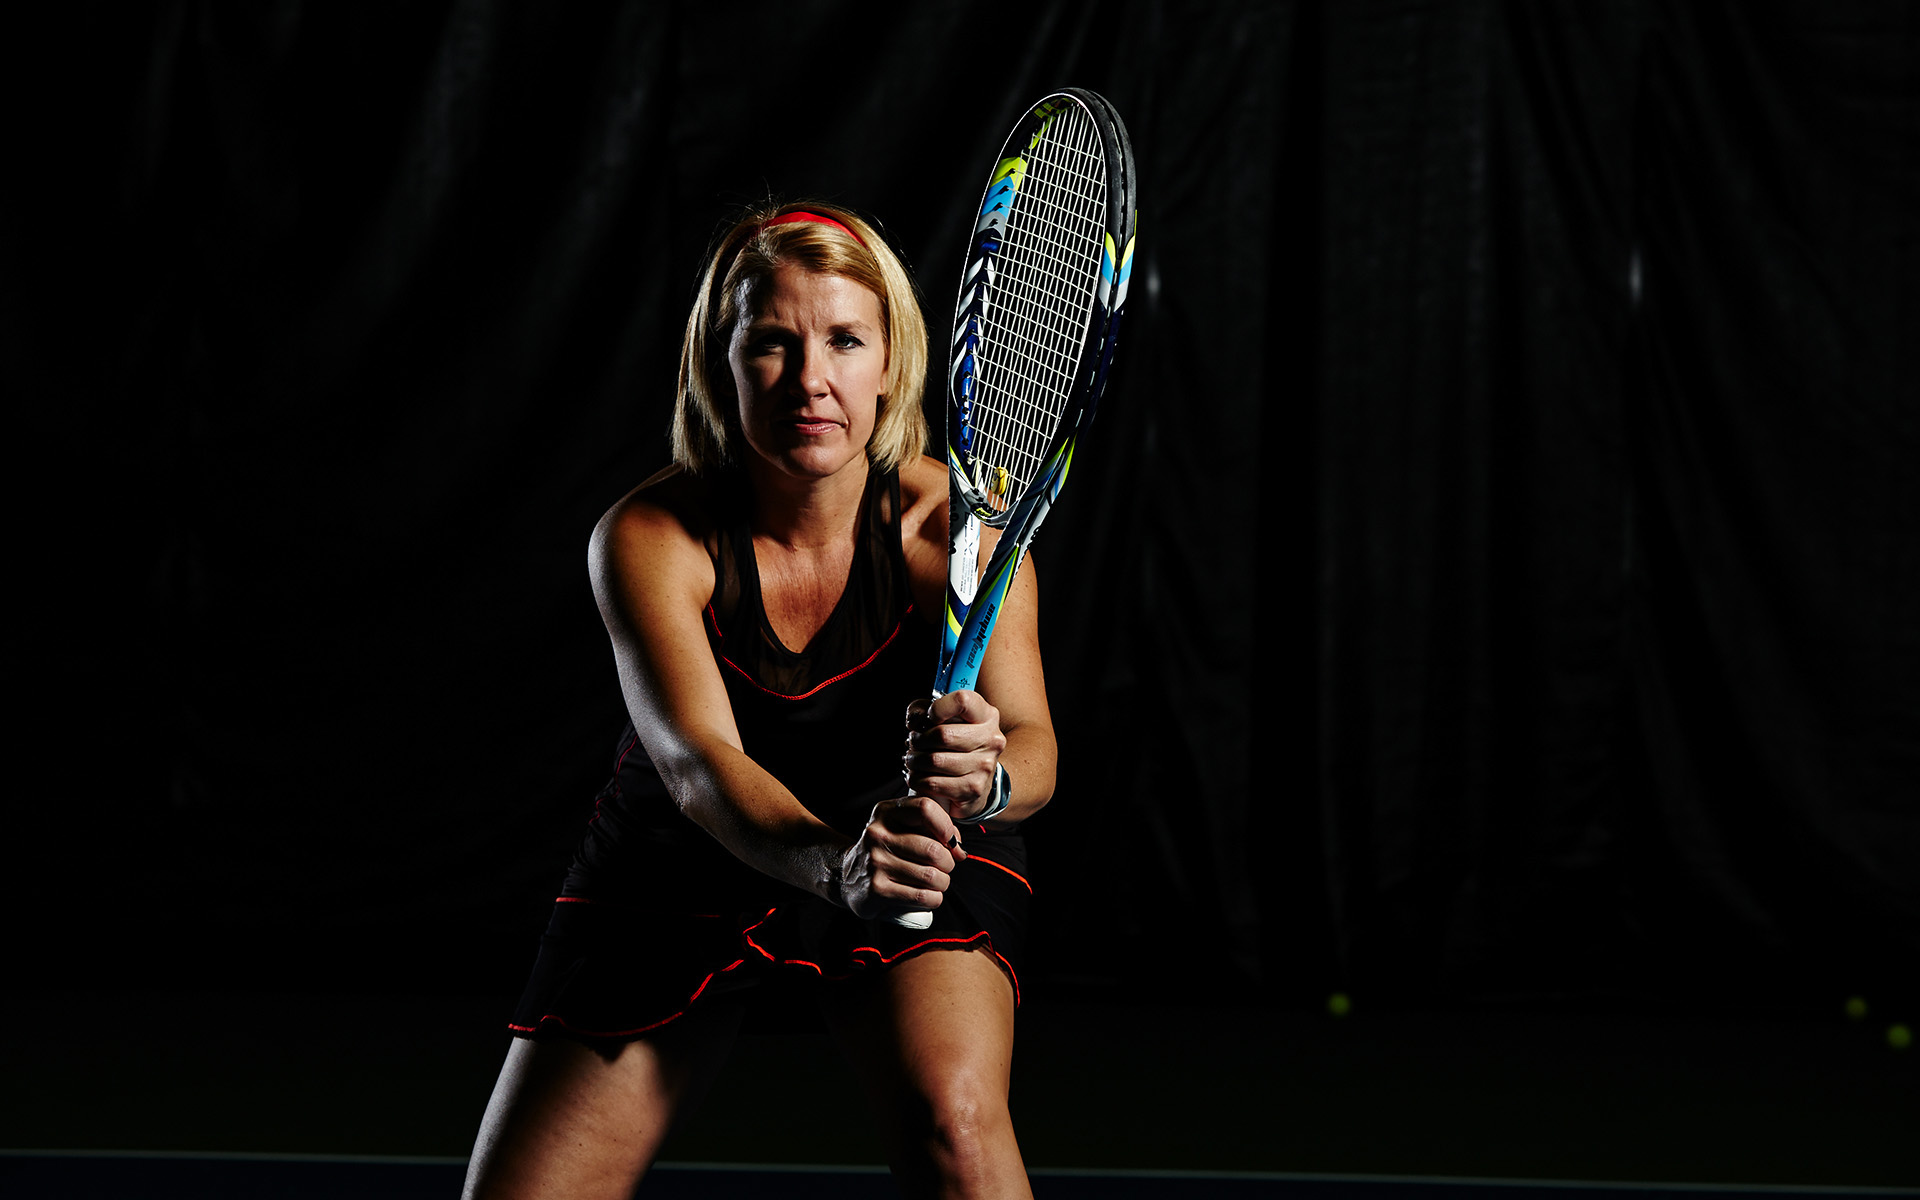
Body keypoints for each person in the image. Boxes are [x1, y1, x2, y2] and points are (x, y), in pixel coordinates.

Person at [462, 201, 1056, 1200]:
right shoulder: (650, 537)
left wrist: (984, 781)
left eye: (845, 341)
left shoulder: (953, 535)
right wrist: (833, 866)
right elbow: (699, 768)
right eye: (772, 343)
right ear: (722, 364)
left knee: (957, 1132)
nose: (810, 379)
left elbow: (1035, 749)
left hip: (907, 835)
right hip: (689, 849)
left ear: (891, 363)